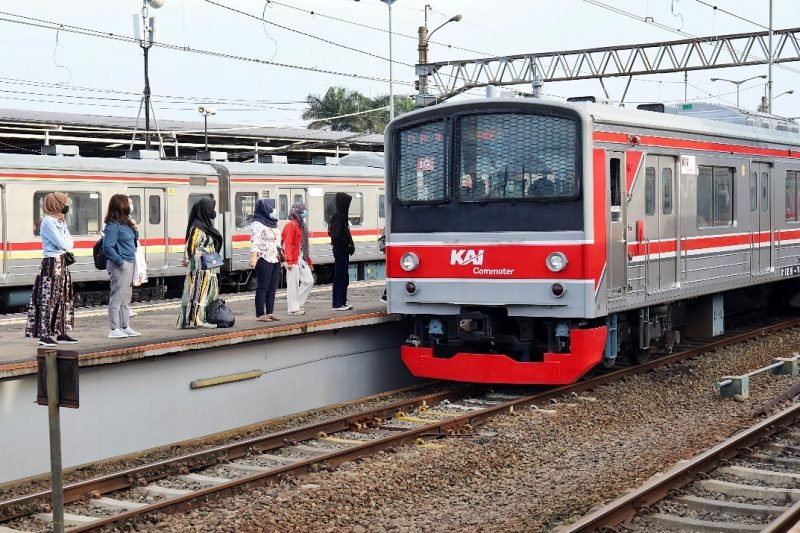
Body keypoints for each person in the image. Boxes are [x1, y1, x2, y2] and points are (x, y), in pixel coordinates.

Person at [25, 192, 77, 347]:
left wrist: (66, 241)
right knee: (48, 299)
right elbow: (64, 243)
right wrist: (66, 242)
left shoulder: (59, 221)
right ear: (56, 204)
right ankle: (44, 334)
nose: (66, 206)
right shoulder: (48, 222)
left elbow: (69, 243)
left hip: (61, 263)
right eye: (64, 203)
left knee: (63, 298)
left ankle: (62, 332)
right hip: (52, 263)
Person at [177, 198, 223, 329]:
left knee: (204, 292)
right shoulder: (197, 227)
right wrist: (187, 259)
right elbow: (190, 246)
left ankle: (196, 319)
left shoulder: (203, 226)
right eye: (211, 209)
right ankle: (198, 320)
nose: (212, 212)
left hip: (208, 266)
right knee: (201, 292)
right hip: (201, 267)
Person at [103, 194, 141, 339]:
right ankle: (114, 328)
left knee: (126, 298)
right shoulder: (113, 226)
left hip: (130, 263)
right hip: (120, 265)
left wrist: (135, 228)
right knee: (117, 297)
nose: (130, 206)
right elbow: (108, 247)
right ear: (121, 206)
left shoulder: (126, 223)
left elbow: (134, 240)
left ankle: (125, 326)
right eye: (128, 203)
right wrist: (121, 262)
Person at [249, 198, 282, 322]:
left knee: (272, 287)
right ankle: (260, 314)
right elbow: (255, 241)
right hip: (263, 258)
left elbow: (277, 241)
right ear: (265, 208)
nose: (273, 210)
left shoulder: (272, 223)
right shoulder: (257, 224)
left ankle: (269, 312)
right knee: (262, 286)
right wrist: (253, 258)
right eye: (271, 207)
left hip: (275, 258)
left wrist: (282, 255)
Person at [282, 202, 314, 316]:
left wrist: (308, 261)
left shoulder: (300, 225)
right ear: (299, 212)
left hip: (300, 258)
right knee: (293, 284)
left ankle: (297, 303)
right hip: (293, 260)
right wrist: (289, 261)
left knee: (309, 281)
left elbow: (303, 246)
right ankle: (293, 308)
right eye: (304, 210)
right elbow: (288, 244)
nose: (306, 212)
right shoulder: (291, 225)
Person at [328, 192, 355, 311]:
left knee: (344, 277)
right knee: (340, 277)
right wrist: (348, 245)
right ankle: (337, 303)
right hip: (340, 250)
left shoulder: (340, 215)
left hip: (343, 250)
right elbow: (337, 235)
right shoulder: (338, 216)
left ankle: (342, 302)